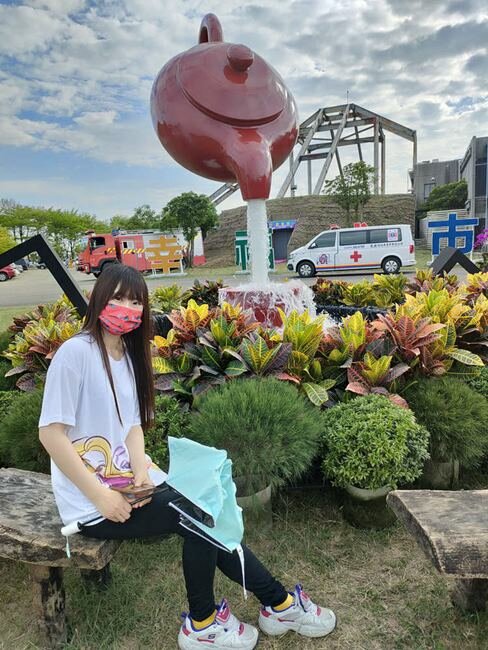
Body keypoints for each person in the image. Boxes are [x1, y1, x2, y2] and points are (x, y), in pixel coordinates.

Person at [39, 264, 336, 650]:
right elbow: (51, 434)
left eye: (136, 301)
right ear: (99, 300)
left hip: (128, 484)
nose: (127, 308)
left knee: (207, 502)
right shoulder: (76, 353)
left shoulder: (127, 356)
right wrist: (101, 497)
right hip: (91, 503)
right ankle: (209, 622)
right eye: (118, 298)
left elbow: (131, 427)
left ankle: (276, 605)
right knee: (198, 514)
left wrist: (141, 470)